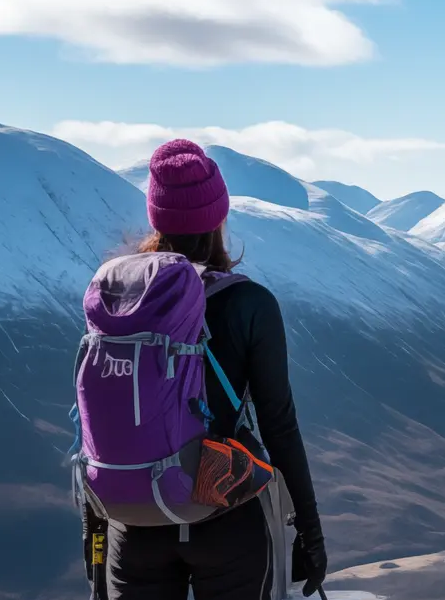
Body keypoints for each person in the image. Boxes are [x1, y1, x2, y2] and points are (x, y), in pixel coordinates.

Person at [100, 139, 327, 599]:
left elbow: (97, 418)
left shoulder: (117, 301)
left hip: (133, 517)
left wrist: (96, 539)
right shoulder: (249, 304)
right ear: (218, 217)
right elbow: (279, 426)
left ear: (156, 217)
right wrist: (309, 532)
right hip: (228, 514)